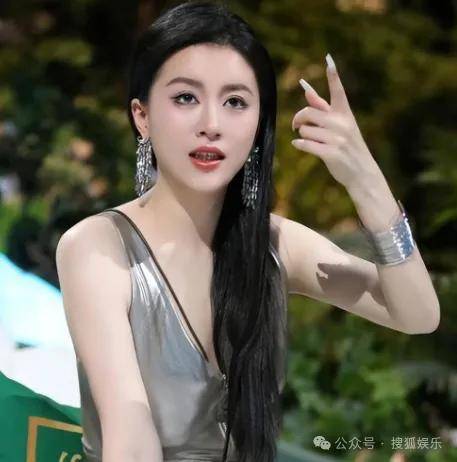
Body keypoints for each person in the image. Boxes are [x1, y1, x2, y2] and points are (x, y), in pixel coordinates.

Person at [55, 1, 440, 462]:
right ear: (142, 115)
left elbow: (417, 314)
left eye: (235, 102)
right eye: (186, 98)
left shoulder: (277, 245)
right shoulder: (98, 247)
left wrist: (368, 185)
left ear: (259, 125)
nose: (211, 125)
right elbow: (131, 439)